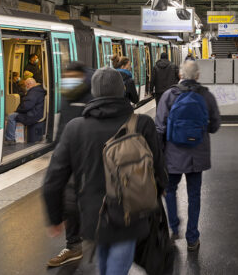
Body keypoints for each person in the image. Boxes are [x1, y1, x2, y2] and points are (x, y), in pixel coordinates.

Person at [43, 67, 168, 275]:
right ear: (122, 90)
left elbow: (53, 179)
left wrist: (54, 217)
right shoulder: (142, 123)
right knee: (118, 264)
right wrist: (161, 189)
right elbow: (158, 165)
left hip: (93, 213)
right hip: (133, 209)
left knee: (103, 256)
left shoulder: (75, 128)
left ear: (94, 92)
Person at [156, 61, 221, 252]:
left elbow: (159, 127)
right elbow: (215, 125)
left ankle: (174, 227)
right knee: (194, 195)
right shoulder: (206, 96)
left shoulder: (169, 95)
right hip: (197, 155)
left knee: (169, 190)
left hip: (173, 154)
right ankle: (192, 238)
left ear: (180, 75)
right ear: (198, 76)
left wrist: (159, 154)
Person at [46, 62, 94, 267]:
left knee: (88, 198)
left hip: (90, 158)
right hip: (69, 157)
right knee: (70, 199)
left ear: (83, 77)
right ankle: (74, 244)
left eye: (72, 76)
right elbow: (62, 126)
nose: (68, 79)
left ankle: (94, 236)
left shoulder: (92, 96)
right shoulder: (67, 95)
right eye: (66, 76)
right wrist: (57, 152)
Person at [4, 78, 46, 145]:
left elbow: (27, 105)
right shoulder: (39, 90)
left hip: (32, 115)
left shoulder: (33, 92)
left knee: (11, 116)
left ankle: (10, 139)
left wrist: (18, 110)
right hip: (37, 113)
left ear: (29, 84)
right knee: (14, 115)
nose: (25, 87)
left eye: (25, 85)